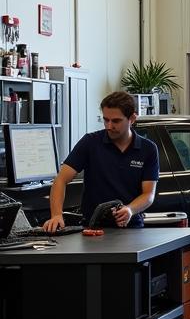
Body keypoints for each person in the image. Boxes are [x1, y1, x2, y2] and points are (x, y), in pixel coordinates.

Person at [43, 90, 159, 232]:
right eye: (105, 120)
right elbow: (61, 180)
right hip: (93, 228)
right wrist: (56, 215)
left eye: (116, 121)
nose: (109, 126)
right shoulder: (90, 143)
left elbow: (148, 194)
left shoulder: (148, 149)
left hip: (131, 228)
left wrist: (129, 210)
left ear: (132, 119)